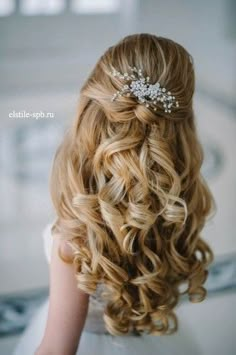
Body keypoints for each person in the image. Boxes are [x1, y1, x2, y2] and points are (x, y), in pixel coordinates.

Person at [13, 33, 216, 355]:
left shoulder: (77, 230)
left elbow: (57, 349)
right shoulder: (182, 200)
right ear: (184, 120)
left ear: (92, 105)